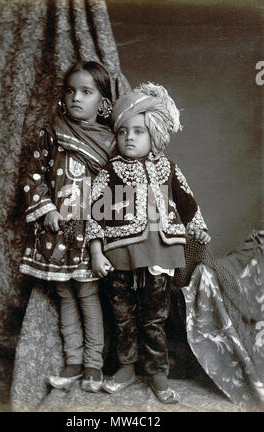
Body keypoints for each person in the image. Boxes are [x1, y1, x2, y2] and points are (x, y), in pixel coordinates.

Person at [86, 82, 211, 403]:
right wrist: (97, 251)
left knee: (154, 315)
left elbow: (187, 202)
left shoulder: (167, 168)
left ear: (153, 134)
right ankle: (126, 368)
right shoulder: (110, 172)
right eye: (124, 131)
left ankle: (157, 373)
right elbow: (93, 212)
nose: (129, 137)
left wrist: (198, 227)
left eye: (138, 131)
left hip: (160, 250)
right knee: (122, 315)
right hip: (119, 254)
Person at [20, 61, 115, 393]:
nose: (76, 98)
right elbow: (34, 175)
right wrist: (45, 206)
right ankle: (72, 361)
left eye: (86, 92)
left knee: (89, 296)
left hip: (89, 235)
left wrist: (98, 232)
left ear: (103, 103)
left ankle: (93, 365)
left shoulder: (111, 143)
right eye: (71, 90)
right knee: (65, 296)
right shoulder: (52, 133)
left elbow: (114, 192)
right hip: (56, 231)